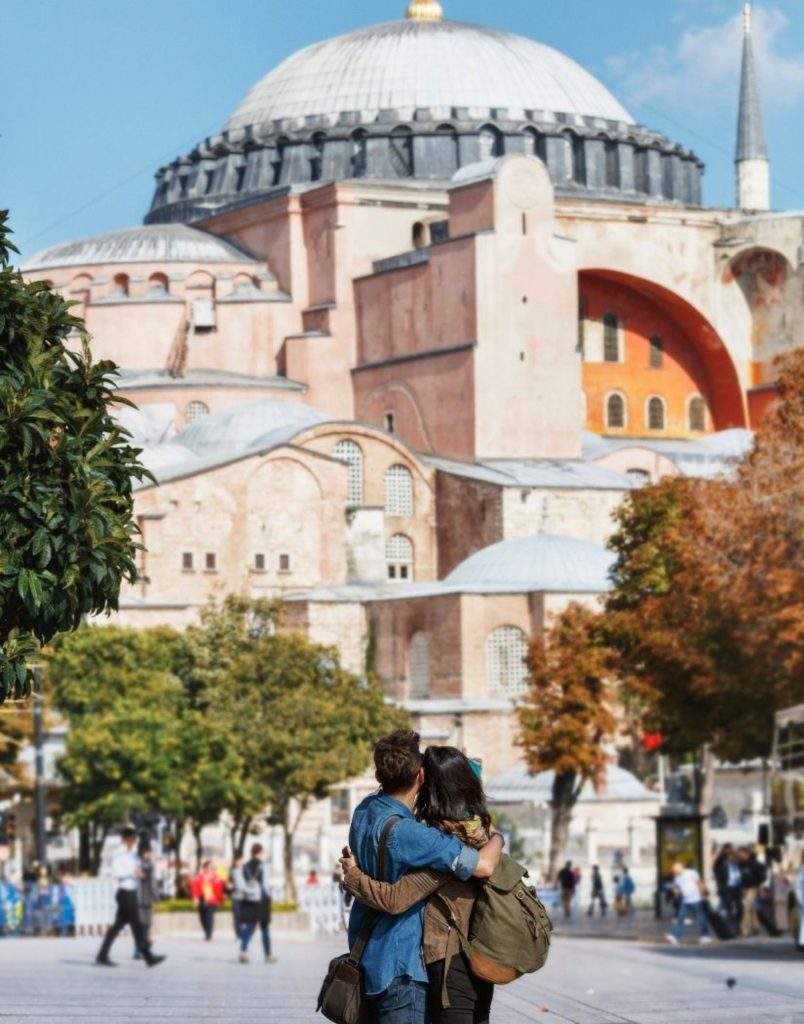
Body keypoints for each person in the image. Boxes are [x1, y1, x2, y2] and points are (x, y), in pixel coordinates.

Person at [346, 730, 504, 1024]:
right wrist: (497, 837)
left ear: (380, 775)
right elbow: (483, 866)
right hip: (401, 967)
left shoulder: (364, 810)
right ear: (420, 776)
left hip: (365, 954)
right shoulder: (415, 835)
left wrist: (353, 875)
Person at [96, 827, 166, 967]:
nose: (134, 842)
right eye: (132, 839)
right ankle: (148, 954)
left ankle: (102, 955)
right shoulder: (118, 853)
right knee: (137, 923)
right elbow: (117, 872)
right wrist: (133, 872)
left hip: (131, 890)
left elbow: (141, 864)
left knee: (117, 926)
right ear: (125, 839)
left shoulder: (132, 853)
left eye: (135, 840)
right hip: (124, 891)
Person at [237, 844, 275, 964]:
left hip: (249, 899)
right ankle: (268, 955)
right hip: (262, 900)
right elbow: (265, 884)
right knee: (264, 928)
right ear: (260, 852)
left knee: (249, 926)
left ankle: (243, 951)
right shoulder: (264, 866)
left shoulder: (245, 866)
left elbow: (241, 885)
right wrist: (269, 896)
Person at [665, 861, 712, 946]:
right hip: (685, 900)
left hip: (696, 898)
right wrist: (675, 892)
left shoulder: (691, 873)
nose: (675, 870)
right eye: (674, 869)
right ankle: (675, 936)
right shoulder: (677, 878)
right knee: (681, 918)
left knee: (701, 918)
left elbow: (699, 883)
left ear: (681, 867)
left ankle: (706, 935)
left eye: (676, 868)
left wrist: (703, 894)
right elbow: (677, 888)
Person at [133, 843, 159, 959]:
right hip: (141, 899)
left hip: (144, 899)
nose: (149, 855)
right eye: (147, 852)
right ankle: (140, 950)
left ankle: (141, 949)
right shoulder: (140, 865)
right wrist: (156, 897)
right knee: (143, 925)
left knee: (145, 925)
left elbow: (152, 882)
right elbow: (152, 882)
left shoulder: (142, 864)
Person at [192, 860, 225, 941]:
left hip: (212, 900)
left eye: (212, 868)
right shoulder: (198, 878)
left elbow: (219, 891)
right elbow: (195, 889)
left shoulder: (216, 878)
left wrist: (220, 900)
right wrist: (195, 898)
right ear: (205, 868)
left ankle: (209, 934)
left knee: (209, 916)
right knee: (202, 917)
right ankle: (206, 930)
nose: (211, 869)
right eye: (210, 867)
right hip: (201, 899)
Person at [738, 845, 766, 937]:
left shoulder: (754, 863)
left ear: (746, 853)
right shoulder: (740, 863)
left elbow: (762, 874)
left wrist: (760, 886)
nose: (739, 855)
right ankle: (756, 927)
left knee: (746, 907)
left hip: (752, 888)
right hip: (744, 888)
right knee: (751, 908)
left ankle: (745, 929)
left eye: (741, 854)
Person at [227, 854, 244, 939]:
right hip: (235, 896)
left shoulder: (245, 870)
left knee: (243, 915)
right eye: (237, 861)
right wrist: (230, 886)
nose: (239, 862)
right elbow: (229, 883)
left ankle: (243, 931)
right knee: (237, 915)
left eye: (240, 860)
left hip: (244, 896)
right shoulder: (231, 871)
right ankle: (238, 933)